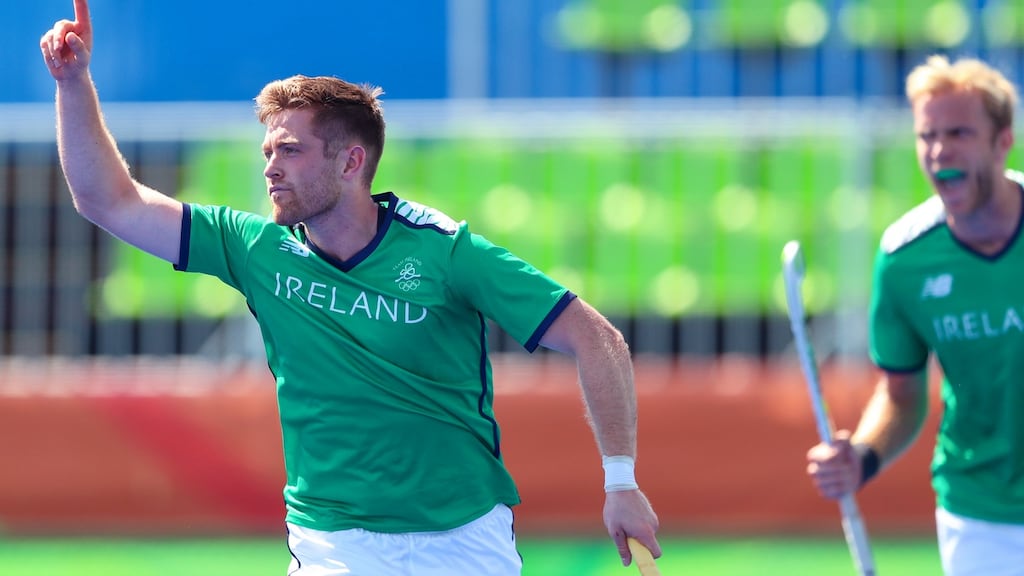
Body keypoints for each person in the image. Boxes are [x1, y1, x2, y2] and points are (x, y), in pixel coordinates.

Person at [40, 1, 661, 574]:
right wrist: (72, 83)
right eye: (267, 151)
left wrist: (621, 481)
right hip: (335, 542)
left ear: (350, 162)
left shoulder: (447, 253)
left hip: (466, 537)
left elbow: (598, 338)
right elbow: (108, 201)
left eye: (290, 150)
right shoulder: (256, 248)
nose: (270, 168)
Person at [806, 54, 1024, 575]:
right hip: (981, 517)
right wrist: (863, 456)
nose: (940, 150)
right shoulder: (904, 259)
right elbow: (900, 395)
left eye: (959, 133)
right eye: (927, 136)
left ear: (1002, 141)